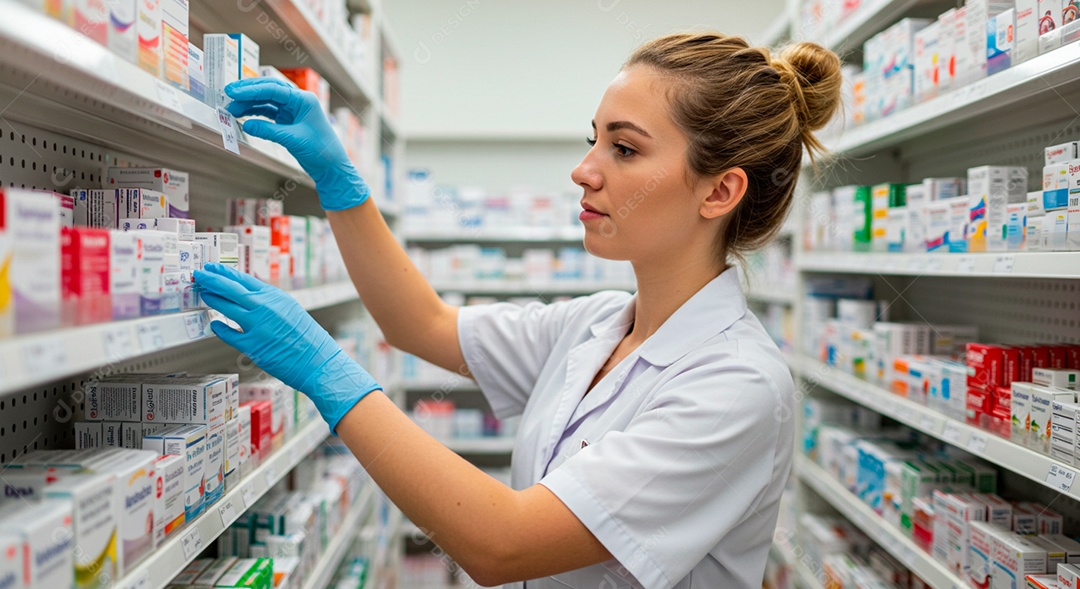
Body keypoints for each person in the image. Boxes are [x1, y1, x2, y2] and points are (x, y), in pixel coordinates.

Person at [195, 32, 841, 589]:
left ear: (720, 190)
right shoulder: (595, 324)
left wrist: (326, 372)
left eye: (624, 148)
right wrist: (340, 182)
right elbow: (420, 324)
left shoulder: (738, 386)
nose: (583, 170)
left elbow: (502, 542)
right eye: (594, 139)